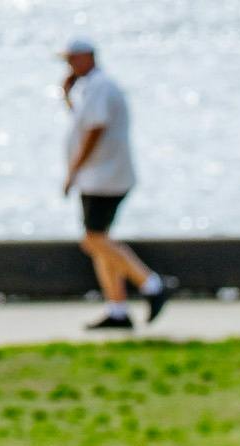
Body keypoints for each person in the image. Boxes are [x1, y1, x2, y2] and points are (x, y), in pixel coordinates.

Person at [57, 40, 169, 332]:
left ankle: (151, 284)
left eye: (71, 60)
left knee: (93, 240)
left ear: (86, 58)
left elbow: (94, 130)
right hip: (99, 176)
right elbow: (82, 122)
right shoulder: (91, 88)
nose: (69, 67)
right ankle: (117, 309)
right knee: (99, 241)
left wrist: (73, 169)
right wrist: (66, 94)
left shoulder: (100, 87)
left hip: (104, 177)